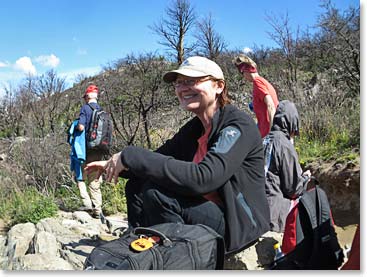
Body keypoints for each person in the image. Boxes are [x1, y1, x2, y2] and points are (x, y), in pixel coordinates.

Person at [85, 56, 270, 254]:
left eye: (192, 81)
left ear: (218, 86)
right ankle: (140, 246)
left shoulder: (237, 125)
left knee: (157, 194)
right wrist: (116, 164)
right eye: (179, 83)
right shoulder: (194, 129)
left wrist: (131, 155)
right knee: (137, 186)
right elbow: (156, 160)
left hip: (237, 224)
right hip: (206, 211)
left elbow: (204, 178)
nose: (183, 88)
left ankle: (176, 258)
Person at [263, 100, 311, 232]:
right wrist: (305, 179)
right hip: (274, 213)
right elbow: (293, 189)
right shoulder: (284, 145)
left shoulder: (264, 140)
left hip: (256, 209)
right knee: (306, 202)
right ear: (291, 122)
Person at [75, 84, 106, 219]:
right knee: (95, 179)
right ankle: (98, 208)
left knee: (79, 176)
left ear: (87, 97)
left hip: (88, 149)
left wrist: (74, 127)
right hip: (100, 149)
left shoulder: (85, 109)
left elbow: (81, 127)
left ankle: (88, 205)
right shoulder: (102, 110)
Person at [233, 54, 279, 138]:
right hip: (263, 131)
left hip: (266, 133)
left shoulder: (258, 83)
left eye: (242, 73)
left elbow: (270, 105)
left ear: (245, 70)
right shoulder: (263, 81)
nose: (244, 77)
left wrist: (272, 132)